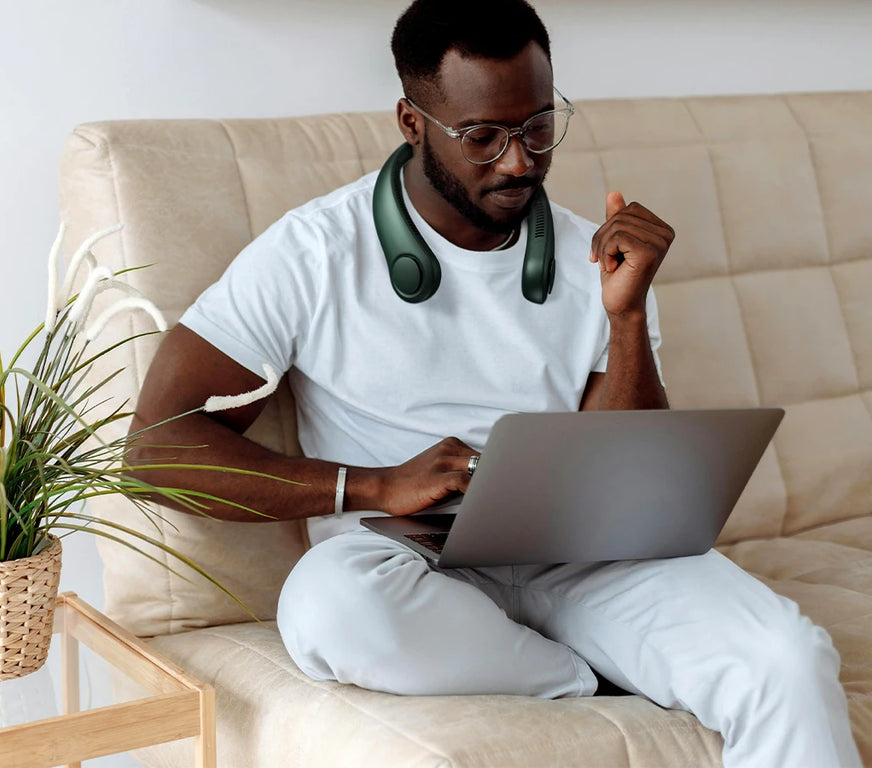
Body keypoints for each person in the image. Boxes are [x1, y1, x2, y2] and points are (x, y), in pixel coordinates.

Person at [126, 1, 859, 765]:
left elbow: (628, 469)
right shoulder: (311, 253)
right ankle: (586, 675)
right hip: (402, 557)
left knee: (787, 658)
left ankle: (596, 653)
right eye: (483, 137)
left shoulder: (594, 256)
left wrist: (628, 315)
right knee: (327, 607)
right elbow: (154, 450)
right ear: (412, 123)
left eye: (539, 127)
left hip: (582, 549)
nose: (519, 162)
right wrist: (372, 486)